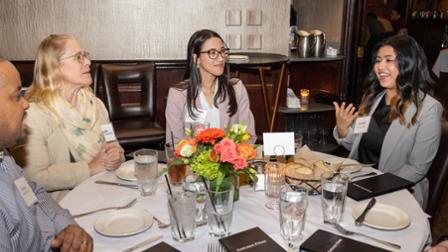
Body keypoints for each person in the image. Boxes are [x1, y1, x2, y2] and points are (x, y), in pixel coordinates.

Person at [333, 35, 443, 208]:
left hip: (398, 193)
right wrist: (342, 130)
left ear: (409, 63)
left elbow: (416, 168)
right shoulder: (372, 98)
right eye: (378, 60)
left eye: (388, 60)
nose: (380, 67)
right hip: (356, 183)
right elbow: (355, 145)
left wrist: (374, 187)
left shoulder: (428, 109)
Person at [0, 59, 93, 251]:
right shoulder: (39, 115)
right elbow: (39, 176)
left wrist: (66, 225)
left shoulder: (5, 157)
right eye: (17, 96)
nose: (25, 104)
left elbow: (34, 192)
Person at [19, 34, 124, 201]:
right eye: (78, 57)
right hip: (65, 207)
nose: (88, 62)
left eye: (85, 56)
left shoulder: (95, 105)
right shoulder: (34, 114)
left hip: (108, 192)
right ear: (55, 66)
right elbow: (35, 177)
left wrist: (116, 154)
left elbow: (112, 142)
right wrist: (89, 169)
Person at [165, 29, 256, 144]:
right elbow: (174, 143)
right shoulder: (178, 95)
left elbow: (248, 135)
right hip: (193, 161)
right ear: (196, 59)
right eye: (212, 53)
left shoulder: (236, 89)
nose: (221, 58)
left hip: (231, 160)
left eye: (223, 51)